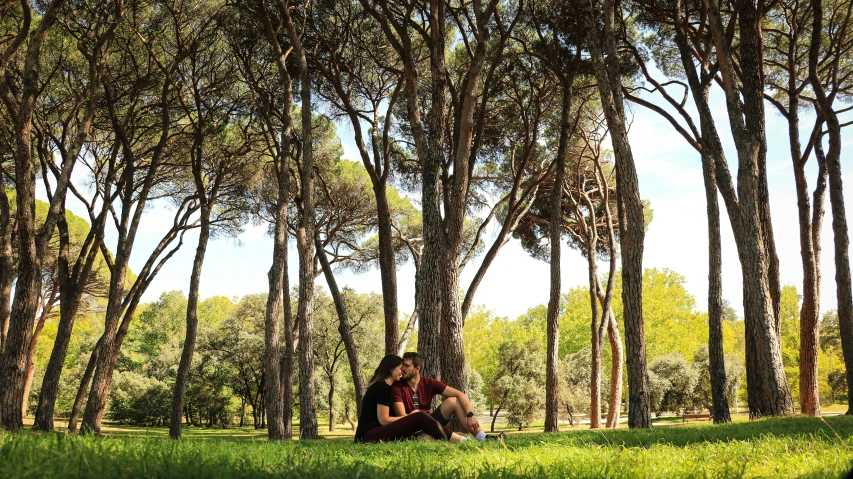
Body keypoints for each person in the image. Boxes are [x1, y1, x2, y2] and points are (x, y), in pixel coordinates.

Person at [392, 352, 504, 442]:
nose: (402, 370)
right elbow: (403, 418)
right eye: (402, 366)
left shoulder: (428, 383)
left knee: (453, 401)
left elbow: (460, 394)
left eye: (406, 366)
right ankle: (453, 437)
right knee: (425, 439)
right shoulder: (397, 386)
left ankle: (482, 437)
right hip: (413, 432)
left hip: (430, 424)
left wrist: (470, 415)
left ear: (417, 368)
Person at [354, 354, 466, 443]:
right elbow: (383, 420)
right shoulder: (382, 387)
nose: (401, 372)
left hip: (374, 434)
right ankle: (459, 440)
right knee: (418, 417)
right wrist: (410, 417)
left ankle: (447, 435)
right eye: (399, 369)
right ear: (391, 369)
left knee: (420, 422)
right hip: (368, 436)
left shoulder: (384, 386)